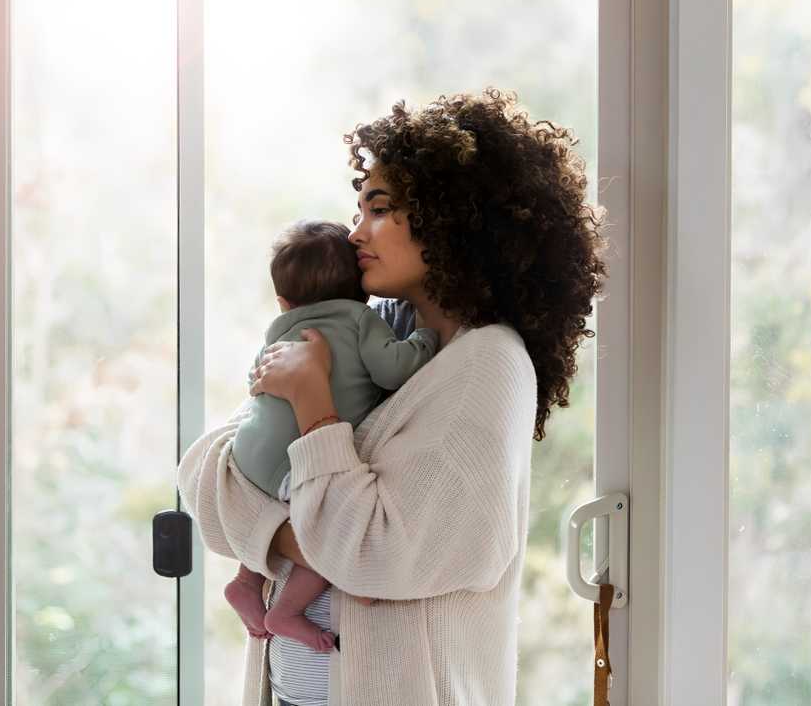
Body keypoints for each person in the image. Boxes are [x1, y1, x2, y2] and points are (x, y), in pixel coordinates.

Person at [177, 88, 608, 706]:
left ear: (452, 217)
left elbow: (378, 555)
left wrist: (314, 407)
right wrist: (299, 537)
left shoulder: (487, 366)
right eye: (359, 209)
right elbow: (207, 471)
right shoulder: (373, 325)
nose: (356, 233)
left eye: (378, 209)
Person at [224, 218, 437, 653]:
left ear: (284, 302)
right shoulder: (360, 319)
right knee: (322, 527)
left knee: (272, 509)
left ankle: (246, 580)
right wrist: (424, 339)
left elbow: (255, 380)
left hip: (247, 452)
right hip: (298, 459)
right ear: (362, 290)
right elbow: (393, 369)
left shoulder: (278, 329)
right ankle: (287, 610)